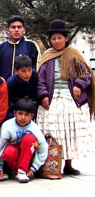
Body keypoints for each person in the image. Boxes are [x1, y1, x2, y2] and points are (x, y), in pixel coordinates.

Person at [37, 19, 95, 175]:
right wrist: (43, 94)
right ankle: (54, 165)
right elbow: (40, 79)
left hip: (71, 100)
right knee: (55, 132)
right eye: (53, 38)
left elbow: (87, 74)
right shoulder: (47, 56)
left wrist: (78, 84)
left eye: (59, 38)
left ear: (66, 38)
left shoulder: (74, 55)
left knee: (70, 131)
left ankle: (69, 164)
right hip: (52, 98)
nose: (56, 41)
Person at [0, 98, 48, 183]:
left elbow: (43, 148)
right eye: (20, 114)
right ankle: (14, 171)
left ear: (32, 116)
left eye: (27, 115)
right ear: (14, 113)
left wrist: (34, 168)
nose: (23, 118)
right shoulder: (7, 125)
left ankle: (22, 171)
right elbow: (1, 147)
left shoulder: (34, 128)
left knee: (29, 138)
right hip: (13, 154)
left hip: (28, 156)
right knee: (8, 152)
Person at [0, 15, 41, 80]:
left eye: (19, 27)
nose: (16, 30)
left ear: (24, 30)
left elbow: (36, 67)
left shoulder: (31, 45)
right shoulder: (1, 47)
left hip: (25, 87)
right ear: (8, 31)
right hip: (5, 87)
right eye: (13, 27)